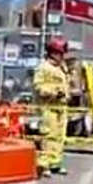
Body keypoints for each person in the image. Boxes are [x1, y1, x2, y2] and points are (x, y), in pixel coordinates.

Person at [34, 37, 71, 175]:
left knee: (59, 135)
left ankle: (56, 162)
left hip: (61, 106)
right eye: (61, 53)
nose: (62, 56)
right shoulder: (43, 67)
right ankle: (45, 165)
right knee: (48, 135)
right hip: (48, 107)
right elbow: (38, 86)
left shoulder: (61, 67)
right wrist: (54, 92)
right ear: (54, 53)